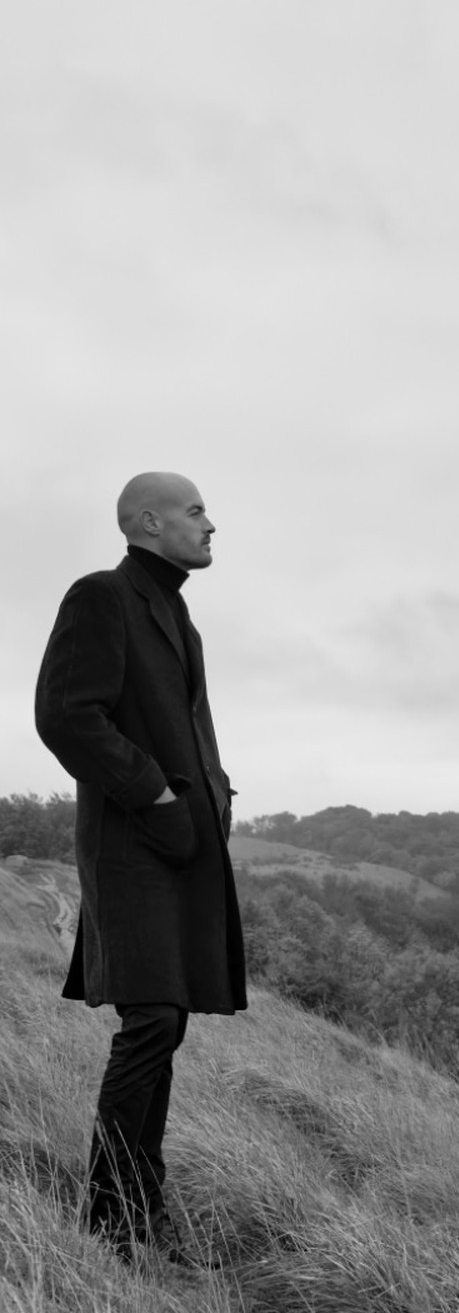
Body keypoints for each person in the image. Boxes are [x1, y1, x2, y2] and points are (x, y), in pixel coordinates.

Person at [35, 472, 247, 1263]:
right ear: (148, 523)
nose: (210, 524)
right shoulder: (101, 595)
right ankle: (113, 1224)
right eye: (196, 511)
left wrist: (212, 792)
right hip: (132, 848)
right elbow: (64, 715)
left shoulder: (176, 612)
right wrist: (154, 793)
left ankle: (137, 1212)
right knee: (152, 1019)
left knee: (168, 1022)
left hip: (180, 849)